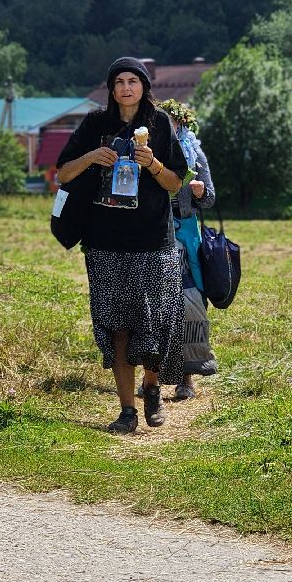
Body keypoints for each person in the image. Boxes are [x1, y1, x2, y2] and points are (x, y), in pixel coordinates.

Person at [54, 57, 187, 434]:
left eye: (133, 80)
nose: (126, 87)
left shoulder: (161, 124)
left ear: (144, 87)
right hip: (105, 242)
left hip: (153, 240)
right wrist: (92, 157)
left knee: (156, 323)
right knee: (116, 326)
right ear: (111, 89)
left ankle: (152, 386)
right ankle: (127, 410)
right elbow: (63, 172)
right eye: (119, 82)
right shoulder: (95, 124)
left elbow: (176, 184)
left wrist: (154, 165)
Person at [158, 98, 217, 401]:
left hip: (185, 233)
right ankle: (151, 377)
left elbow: (210, 200)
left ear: (181, 123)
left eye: (170, 120)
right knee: (154, 304)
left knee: (189, 300)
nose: (165, 124)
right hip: (153, 233)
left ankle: (187, 377)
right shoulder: (147, 153)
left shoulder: (195, 155)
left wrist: (201, 191)